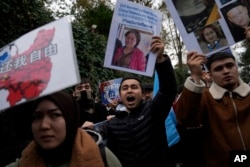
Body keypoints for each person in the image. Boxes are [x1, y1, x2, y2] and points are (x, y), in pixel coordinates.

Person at [107, 36, 177, 167]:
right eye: (125, 88)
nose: (129, 91)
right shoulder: (113, 124)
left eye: (134, 87)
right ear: (120, 96)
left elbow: (168, 90)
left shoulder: (153, 110)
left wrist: (161, 60)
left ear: (143, 94)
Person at [6, 91, 122, 167]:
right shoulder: (23, 162)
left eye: (55, 115)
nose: (44, 125)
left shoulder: (103, 158)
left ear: (70, 119)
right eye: (37, 117)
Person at [174, 51, 250, 166]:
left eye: (230, 65)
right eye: (218, 69)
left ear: (236, 67)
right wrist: (195, 76)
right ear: (210, 74)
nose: (226, 71)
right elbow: (185, 118)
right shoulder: (205, 98)